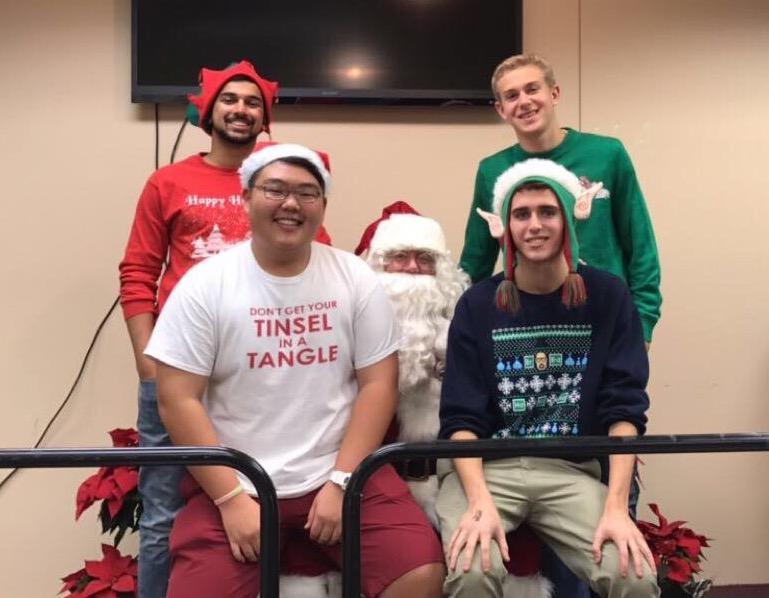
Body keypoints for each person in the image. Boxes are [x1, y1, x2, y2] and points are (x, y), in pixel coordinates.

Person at [144, 143, 445, 598]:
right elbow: (176, 398)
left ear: (322, 206)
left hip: (340, 470)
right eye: (275, 190)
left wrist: (342, 482)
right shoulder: (205, 285)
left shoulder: (353, 278)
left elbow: (378, 386)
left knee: (420, 574)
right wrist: (230, 500)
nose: (291, 204)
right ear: (246, 197)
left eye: (307, 193)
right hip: (238, 478)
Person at [437, 158, 660, 598]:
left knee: (632, 576)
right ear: (505, 226)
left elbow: (625, 407)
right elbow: (460, 420)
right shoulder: (477, 305)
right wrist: (479, 502)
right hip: (487, 469)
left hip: (572, 470)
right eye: (522, 214)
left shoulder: (609, 296)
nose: (534, 225)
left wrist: (617, 505)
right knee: (473, 571)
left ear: (567, 221)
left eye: (547, 212)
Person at [357, 202, 553, 598]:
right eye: (398, 258)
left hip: (459, 477)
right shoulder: (348, 335)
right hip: (376, 488)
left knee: (498, 557)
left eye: (424, 259)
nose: (412, 268)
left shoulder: (468, 329)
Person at [459, 53, 661, 347]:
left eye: (532, 89)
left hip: (605, 317)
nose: (524, 101)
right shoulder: (492, 171)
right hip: (526, 324)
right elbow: (475, 261)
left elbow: (640, 244)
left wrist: (643, 323)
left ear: (554, 93)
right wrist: (457, 324)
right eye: (511, 96)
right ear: (501, 109)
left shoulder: (607, 154)